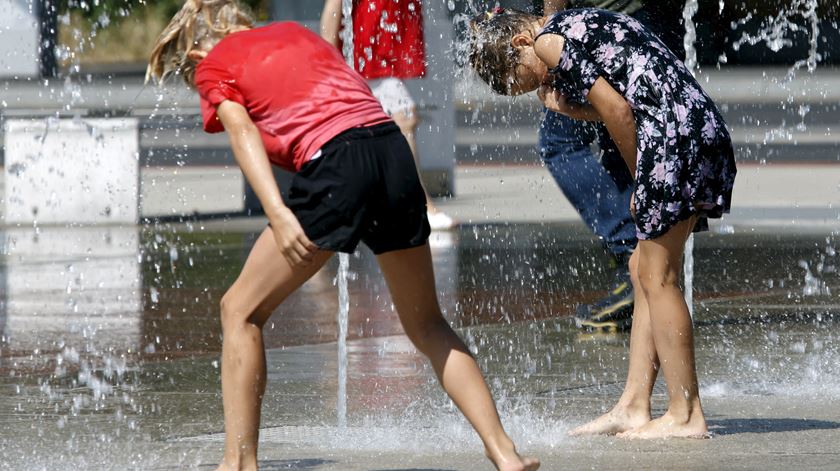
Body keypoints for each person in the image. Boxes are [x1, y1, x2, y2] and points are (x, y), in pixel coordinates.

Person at [146, 1, 539, 469]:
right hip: (391, 151)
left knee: (239, 310)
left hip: (337, 162)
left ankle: (238, 463)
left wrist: (278, 211)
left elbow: (241, 130)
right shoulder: (296, 33)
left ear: (193, 54)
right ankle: (505, 452)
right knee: (428, 325)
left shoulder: (215, 63)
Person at [468, 7, 736, 438]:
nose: (536, 86)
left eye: (525, 80)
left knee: (658, 274)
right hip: (691, 127)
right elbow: (625, 99)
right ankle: (633, 405)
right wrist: (578, 113)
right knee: (641, 268)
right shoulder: (579, 22)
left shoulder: (547, 42)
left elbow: (621, 115)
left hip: (672, 136)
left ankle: (686, 414)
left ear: (520, 44)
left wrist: (639, 179)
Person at [537, 0, 687, 333]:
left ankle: (631, 254)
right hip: (651, 17)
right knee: (636, 134)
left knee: (559, 142)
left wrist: (551, 21)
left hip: (607, 17)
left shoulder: (549, 40)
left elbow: (619, 113)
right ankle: (655, 271)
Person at [320, 0, 455, 230]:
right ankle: (419, 207)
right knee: (404, 118)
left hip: (375, 58)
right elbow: (333, 8)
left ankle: (341, 206)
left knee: (364, 136)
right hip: (364, 59)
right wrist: (329, 67)